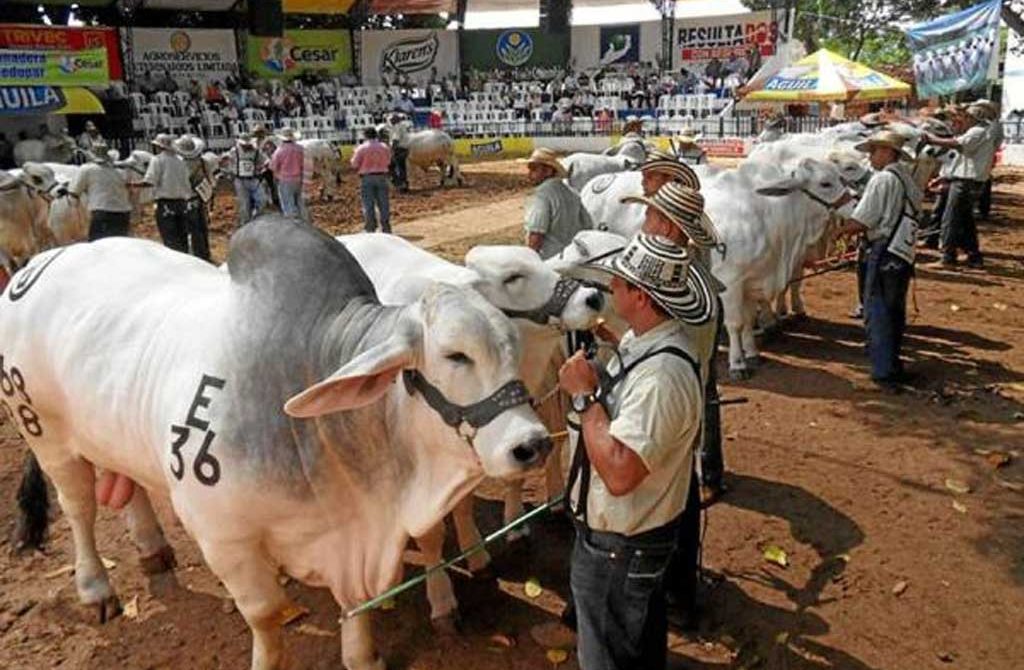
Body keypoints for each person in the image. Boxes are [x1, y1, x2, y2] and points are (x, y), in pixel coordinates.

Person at [559, 233, 713, 670]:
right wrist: (611, 339)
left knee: (605, 650)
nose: (611, 288)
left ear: (641, 297)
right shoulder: (648, 341)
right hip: (634, 543)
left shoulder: (662, 376)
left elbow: (622, 474)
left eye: (619, 283)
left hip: (619, 547)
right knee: (636, 637)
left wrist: (585, 398)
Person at [835, 131, 923, 391]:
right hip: (901, 252)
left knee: (878, 310)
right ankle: (893, 364)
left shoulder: (882, 179)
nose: (870, 157)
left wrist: (839, 230)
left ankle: (883, 372)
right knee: (895, 310)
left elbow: (863, 220)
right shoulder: (905, 177)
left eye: (873, 151)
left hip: (882, 249)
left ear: (887, 152)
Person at [924, 103, 996, 268]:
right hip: (966, 181)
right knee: (965, 220)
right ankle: (973, 255)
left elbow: (958, 144)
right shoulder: (981, 131)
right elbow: (961, 159)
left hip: (966, 182)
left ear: (973, 118)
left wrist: (931, 139)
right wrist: (946, 178)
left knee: (951, 219)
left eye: (967, 117)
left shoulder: (978, 132)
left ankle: (947, 257)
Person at [520, 147, 592, 259]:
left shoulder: (541, 195)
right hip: (572, 258)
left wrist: (528, 261)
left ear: (548, 171)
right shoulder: (573, 193)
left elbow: (536, 234)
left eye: (534, 169)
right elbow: (588, 225)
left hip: (548, 261)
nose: (529, 174)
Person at [138, 133, 193, 253]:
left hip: (166, 204)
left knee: (170, 239)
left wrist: (134, 185)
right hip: (182, 204)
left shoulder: (157, 160)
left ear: (159, 147)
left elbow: (150, 181)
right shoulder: (181, 161)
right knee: (182, 237)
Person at [68, 140, 133, 240]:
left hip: (102, 213)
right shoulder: (119, 172)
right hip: (123, 214)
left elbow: (73, 193)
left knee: (99, 247)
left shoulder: (86, 169)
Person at [173, 134, 213, 261]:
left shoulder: (178, 165)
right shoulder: (202, 161)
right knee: (201, 227)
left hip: (186, 199)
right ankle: (204, 253)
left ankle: (196, 255)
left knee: (190, 228)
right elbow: (210, 179)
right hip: (200, 197)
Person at [350, 127, 392, 233]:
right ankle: (386, 227)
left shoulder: (361, 148)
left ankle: (370, 227)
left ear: (365, 136)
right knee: (384, 203)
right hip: (382, 176)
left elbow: (354, 164)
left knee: (368, 204)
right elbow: (388, 161)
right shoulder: (384, 147)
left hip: (367, 177)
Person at [221, 134, 266, 227]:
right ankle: (245, 225)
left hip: (254, 179)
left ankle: (255, 218)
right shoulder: (234, 151)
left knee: (262, 200)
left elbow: (264, 161)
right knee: (244, 205)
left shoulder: (256, 151)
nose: (245, 146)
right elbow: (224, 160)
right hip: (240, 180)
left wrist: (261, 168)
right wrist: (228, 170)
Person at [269, 127, 306, 220]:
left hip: (285, 180)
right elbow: (304, 164)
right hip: (298, 178)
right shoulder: (300, 149)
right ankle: (303, 221)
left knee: (288, 203)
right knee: (299, 202)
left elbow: (273, 167)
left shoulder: (279, 151)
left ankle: (292, 222)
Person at [387, 114, 411, 193]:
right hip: (404, 148)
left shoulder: (397, 127)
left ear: (396, 120)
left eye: (392, 119)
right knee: (401, 167)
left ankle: (400, 183)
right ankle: (403, 183)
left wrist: (391, 149)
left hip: (399, 149)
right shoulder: (403, 126)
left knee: (392, 166)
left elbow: (395, 140)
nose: (390, 121)